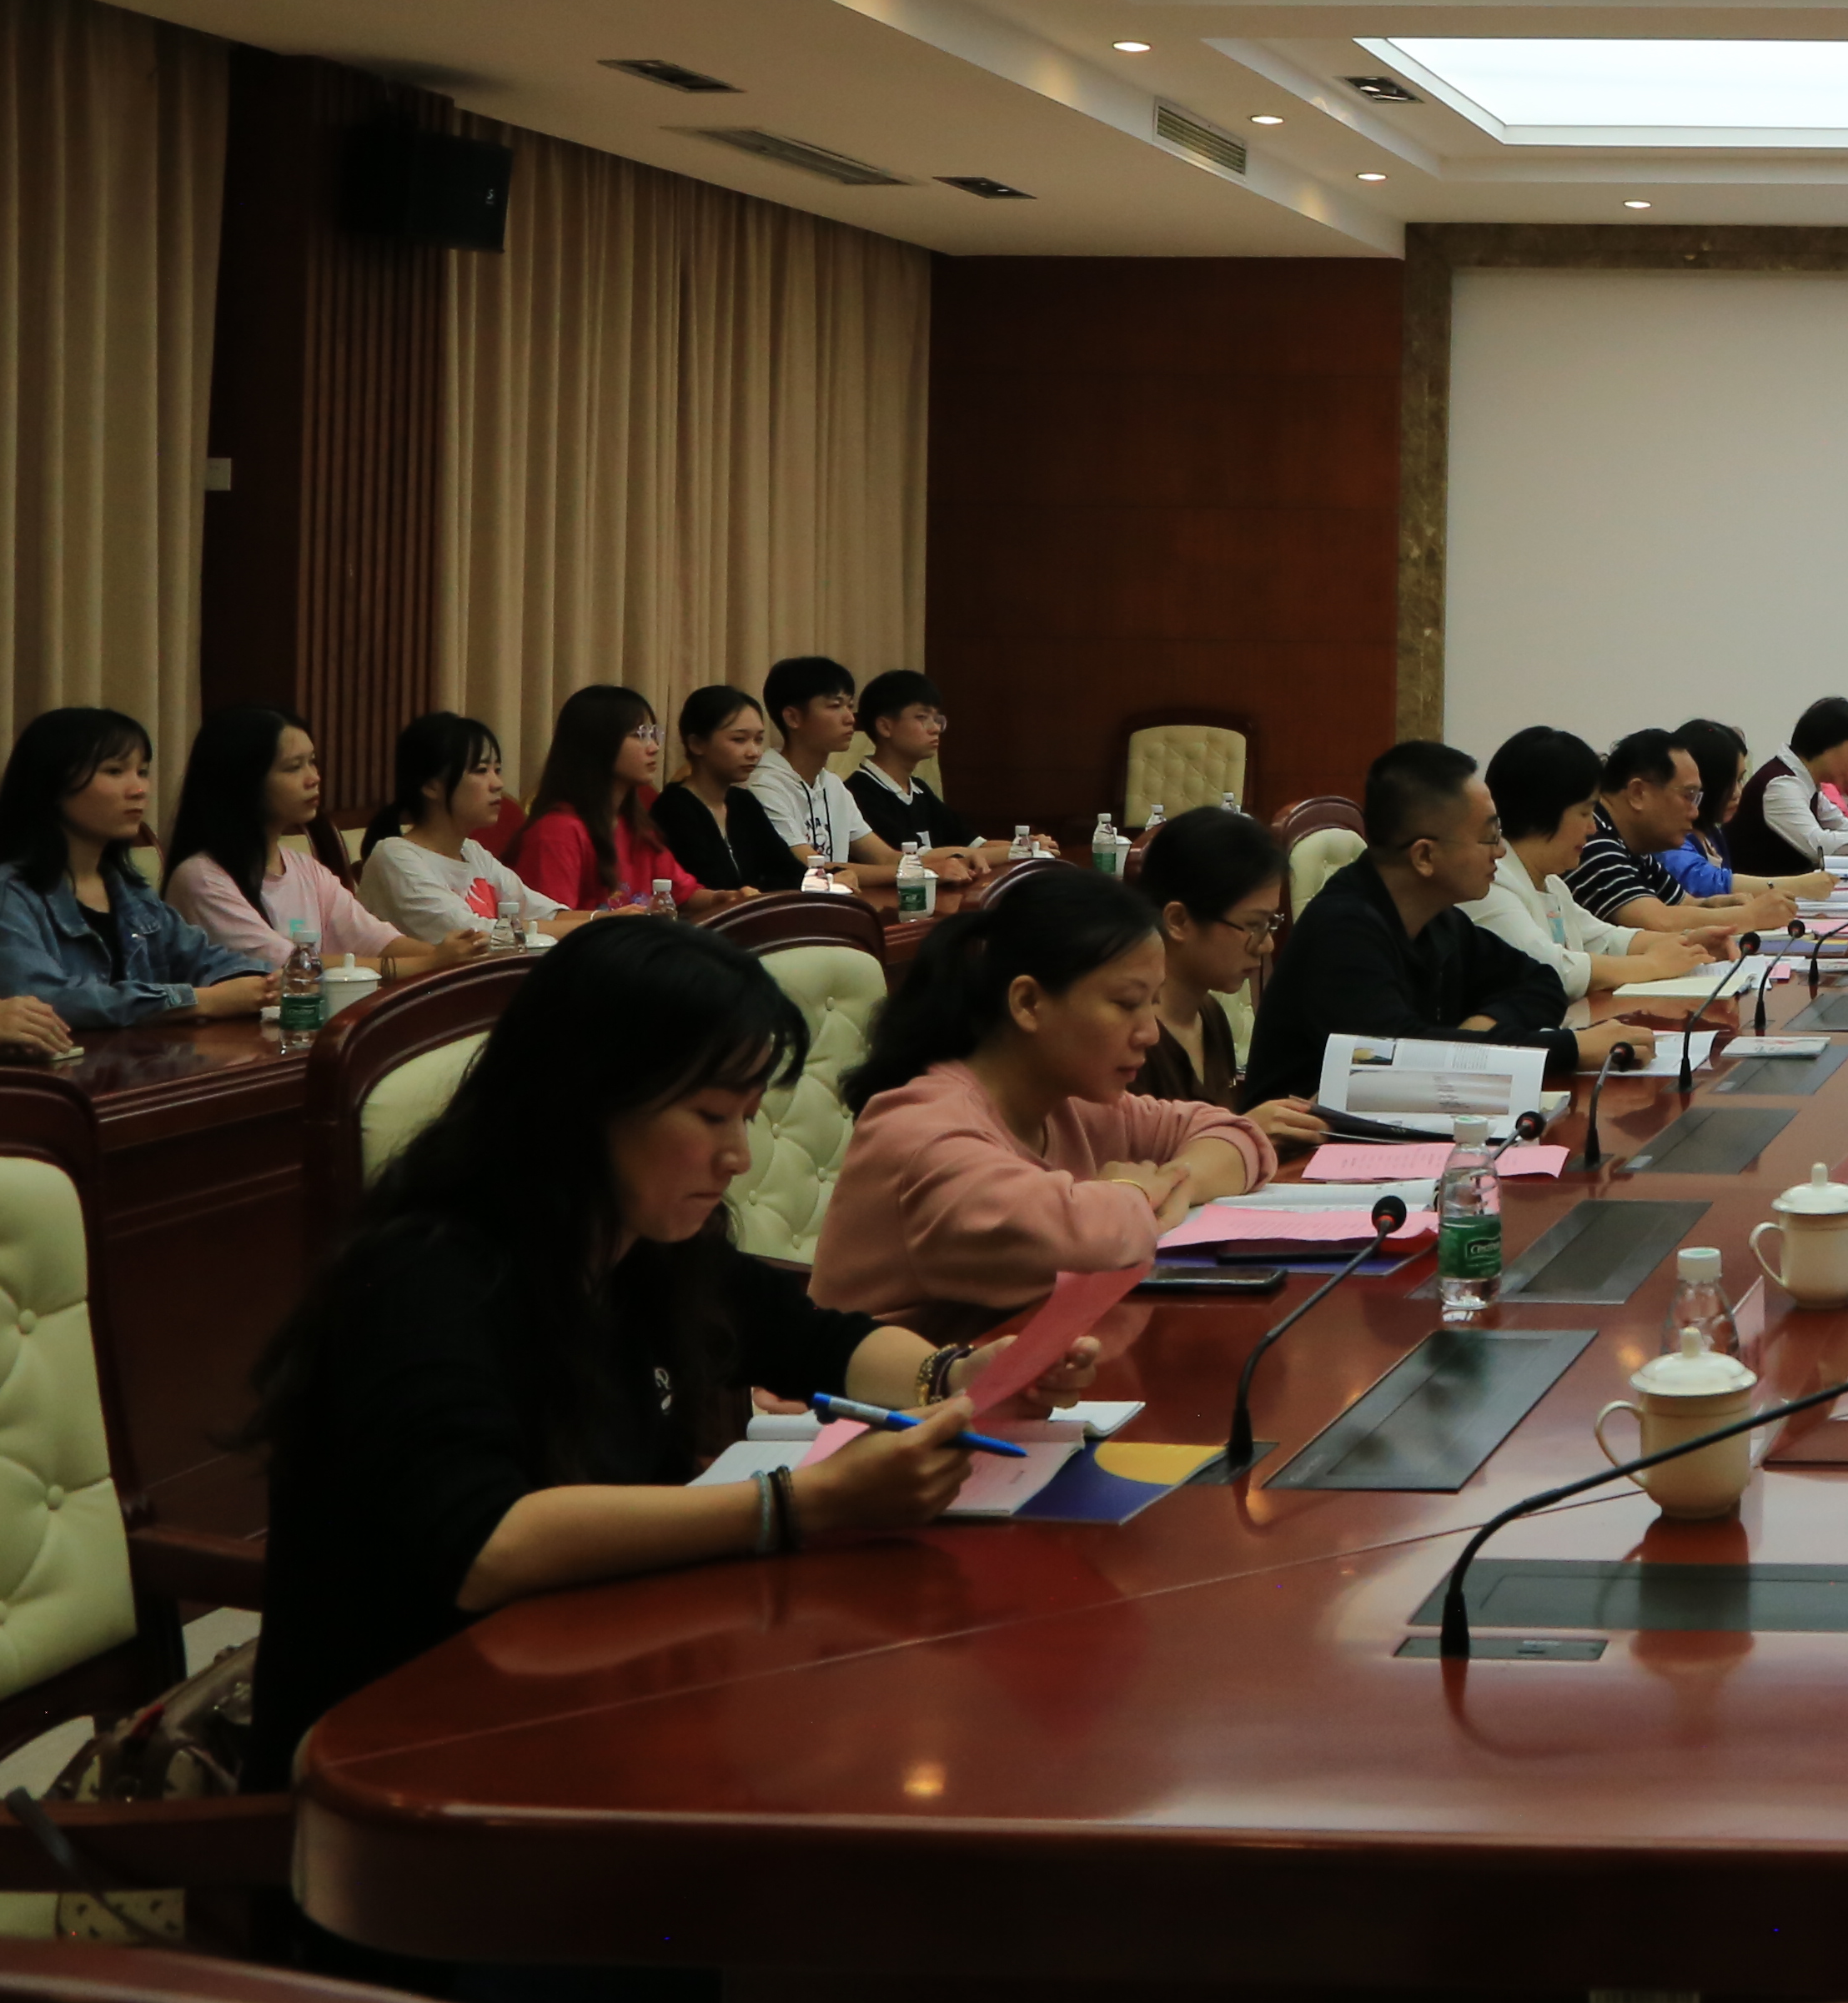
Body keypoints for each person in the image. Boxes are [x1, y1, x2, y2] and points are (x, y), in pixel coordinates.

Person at [246, 916, 1078, 1820]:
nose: (738, 1156)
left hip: (581, 1717)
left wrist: (956, 1377)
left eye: (746, 1118)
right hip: (401, 1788)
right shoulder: (423, 1277)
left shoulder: (641, 1246)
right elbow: (487, 1546)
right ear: (586, 1100)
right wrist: (801, 1506)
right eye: (711, 1117)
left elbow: (812, 1337)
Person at [815, 866, 1276, 1335]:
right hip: (877, 1382)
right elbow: (1082, 1243)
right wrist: (1132, 1192)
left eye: (1152, 1002)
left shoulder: (1070, 1101)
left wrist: (1170, 1186)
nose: (1150, 1034)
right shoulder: (922, 1131)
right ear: (1029, 1003)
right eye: (1126, 1003)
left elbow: (1236, 1134)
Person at [1238, 739, 1571, 1109]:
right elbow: (1397, 1061)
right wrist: (1571, 1048)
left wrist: (1480, 1027)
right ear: (1424, 855)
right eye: (1489, 837)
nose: (1501, 851)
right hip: (1292, 1141)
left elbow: (1542, 982)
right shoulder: (1342, 932)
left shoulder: (1438, 919)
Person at [0, 708, 268, 1038]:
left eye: (142, 772)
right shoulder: (1, 894)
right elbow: (41, 1006)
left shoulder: (129, 890)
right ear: (52, 783)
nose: (139, 790)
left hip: (142, 1064)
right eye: (114, 771)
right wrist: (199, 1002)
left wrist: (267, 984)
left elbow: (206, 959)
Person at [158, 703, 479, 985]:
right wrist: (429, 964)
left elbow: (377, 940)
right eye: (293, 767)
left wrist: (449, 957)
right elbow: (288, 966)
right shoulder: (201, 878)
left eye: (312, 762)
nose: (314, 778)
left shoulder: (304, 867)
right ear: (243, 780)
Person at [1474, 724, 1733, 1025]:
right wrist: (1652, 965)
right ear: (1544, 810)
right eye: (1585, 813)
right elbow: (1549, 968)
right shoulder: (1490, 883)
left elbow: (1607, 939)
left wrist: (1687, 943)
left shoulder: (1552, 883)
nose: (1592, 828)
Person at [1130, 804, 1329, 1149]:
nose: (1266, 945)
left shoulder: (1209, 1014)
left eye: (1270, 924)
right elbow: (1125, 1168)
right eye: (1253, 925)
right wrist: (1244, 1133)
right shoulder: (1129, 1035)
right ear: (1178, 921)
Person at [355, 711, 573, 946]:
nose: (498, 784)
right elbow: (475, 935)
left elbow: (543, 913)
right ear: (431, 786)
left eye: (497, 770)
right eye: (481, 770)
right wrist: (590, 927)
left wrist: (598, 920)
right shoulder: (394, 858)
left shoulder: (472, 851)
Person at [750, 655, 956, 892]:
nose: (850, 718)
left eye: (849, 706)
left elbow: (883, 857)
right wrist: (925, 872)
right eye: (835, 706)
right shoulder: (764, 785)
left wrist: (947, 864)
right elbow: (809, 868)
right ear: (793, 718)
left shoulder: (832, 785)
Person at [1572, 730, 1801, 941]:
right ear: (1638, 793)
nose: (1695, 812)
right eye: (1688, 796)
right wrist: (1750, 916)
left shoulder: (1634, 845)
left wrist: (1720, 905)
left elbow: (1682, 904)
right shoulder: (1592, 840)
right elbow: (1658, 921)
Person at [508, 684, 713, 917]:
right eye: (639, 735)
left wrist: (725, 898)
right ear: (597, 743)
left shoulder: (635, 826)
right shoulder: (557, 832)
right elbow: (552, 923)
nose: (654, 747)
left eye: (653, 735)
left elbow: (682, 894)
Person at [1724, 695, 1848, 881]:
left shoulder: (1807, 782)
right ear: (1829, 744)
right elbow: (1818, 845)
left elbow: (1842, 825)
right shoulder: (1781, 784)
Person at [653, 685, 799, 898]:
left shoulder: (743, 802)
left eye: (758, 740)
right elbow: (704, 886)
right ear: (696, 744)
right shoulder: (673, 809)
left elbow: (789, 870)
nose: (754, 752)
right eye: (739, 740)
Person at [846, 666, 989, 861]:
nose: (935, 728)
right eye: (922, 718)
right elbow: (916, 859)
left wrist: (1026, 845)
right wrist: (1017, 851)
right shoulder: (859, 792)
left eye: (937, 719)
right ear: (885, 727)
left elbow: (976, 844)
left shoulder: (920, 790)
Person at [1660, 719, 1763, 897]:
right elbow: (1703, 883)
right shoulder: (1670, 840)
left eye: (1740, 780)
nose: (1737, 793)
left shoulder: (1713, 835)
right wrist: (1800, 885)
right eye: (1727, 783)